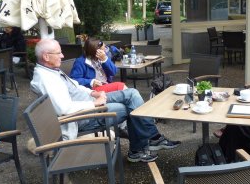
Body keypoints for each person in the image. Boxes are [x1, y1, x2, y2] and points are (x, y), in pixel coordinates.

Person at [30, 39, 181, 163]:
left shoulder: (51, 72)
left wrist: (93, 93)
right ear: (46, 56)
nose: (62, 56)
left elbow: (75, 86)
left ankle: (149, 141)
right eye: (59, 53)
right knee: (130, 107)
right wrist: (94, 103)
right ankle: (143, 145)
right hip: (83, 116)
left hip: (90, 101)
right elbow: (64, 109)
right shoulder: (47, 79)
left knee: (132, 94)